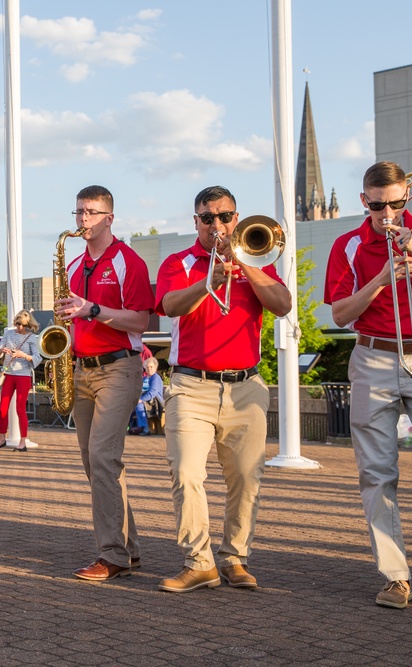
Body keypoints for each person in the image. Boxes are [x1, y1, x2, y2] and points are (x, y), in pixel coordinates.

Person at [324, 161, 412, 609]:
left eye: (396, 203)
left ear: (408, 196)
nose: (387, 214)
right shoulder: (347, 245)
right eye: (377, 204)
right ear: (364, 200)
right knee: (377, 473)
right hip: (372, 358)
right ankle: (395, 575)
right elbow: (341, 315)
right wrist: (382, 278)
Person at [153, 185, 291, 594]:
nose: (218, 224)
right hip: (191, 384)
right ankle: (198, 562)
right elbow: (170, 307)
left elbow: (282, 305)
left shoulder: (259, 256)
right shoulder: (179, 262)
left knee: (246, 477)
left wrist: (246, 263)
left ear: (237, 218)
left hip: (245, 386)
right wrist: (208, 281)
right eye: (207, 217)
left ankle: (234, 557)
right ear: (195, 221)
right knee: (186, 473)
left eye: (225, 216)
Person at [53, 185, 153, 581]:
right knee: (98, 464)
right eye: (78, 212)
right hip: (81, 368)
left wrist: (92, 310)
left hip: (119, 367)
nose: (83, 220)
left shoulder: (129, 262)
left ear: (110, 217)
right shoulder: (75, 265)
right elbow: (70, 316)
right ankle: (129, 549)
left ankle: (111, 556)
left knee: (102, 457)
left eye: (91, 212)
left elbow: (141, 322)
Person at [0, 311, 41, 451]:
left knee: (20, 408)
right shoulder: (9, 334)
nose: (19, 327)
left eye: (23, 325)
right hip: (8, 373)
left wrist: (24, 355)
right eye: (17, 324)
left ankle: (23, 441)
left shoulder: (32, 338)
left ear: (28, 325)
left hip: (23, 375)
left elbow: (37, 358)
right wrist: (1, 350)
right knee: (3, 408)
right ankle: (1, 438)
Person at [130, 356, 164, 436]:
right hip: (145, 399)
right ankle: (132, 427)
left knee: (138, 405)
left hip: (154, 400)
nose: (149, 369)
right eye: (147, 367)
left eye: (151, 367)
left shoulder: (155, 377)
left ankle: (145, 428)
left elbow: (153, 392)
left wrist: (141, 399)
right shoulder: (144, 378)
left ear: (155, 367)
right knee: (129, 403)